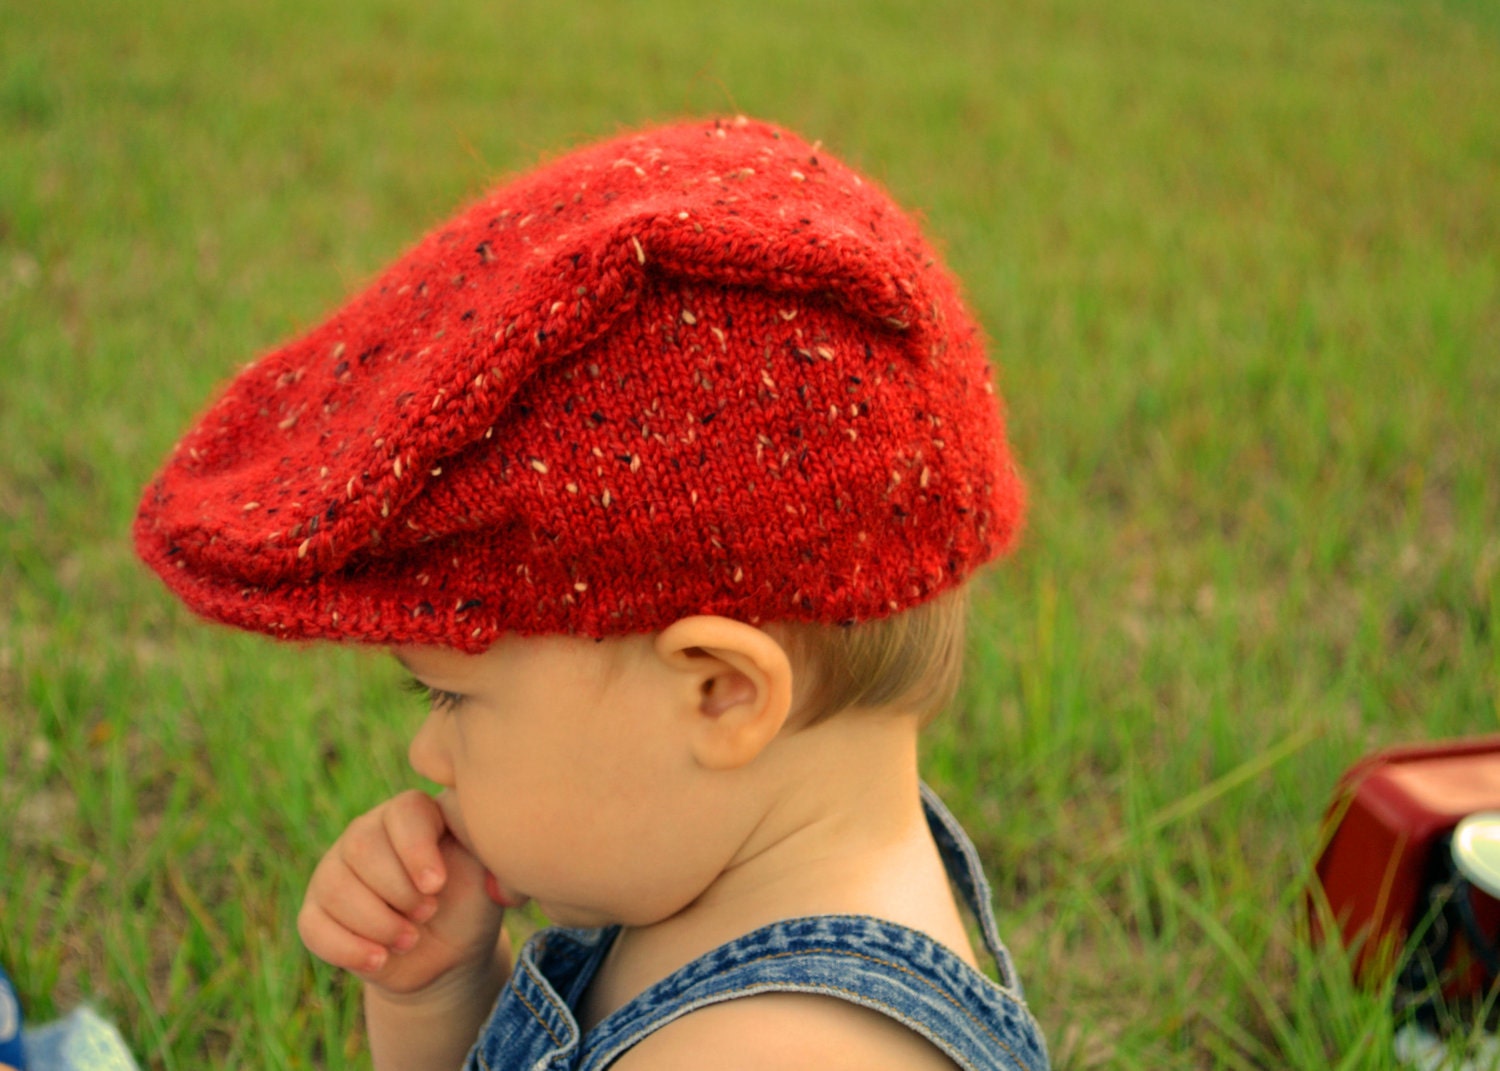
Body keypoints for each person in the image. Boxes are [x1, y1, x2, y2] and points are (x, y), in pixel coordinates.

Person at [135, 116, 1049, 1070]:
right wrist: (442, 992)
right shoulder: (714, 876)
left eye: (450, 695)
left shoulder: (778, 1054)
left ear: (720, 692)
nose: (425, 753)